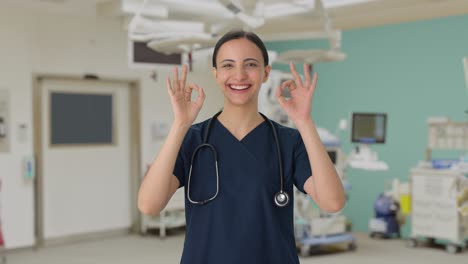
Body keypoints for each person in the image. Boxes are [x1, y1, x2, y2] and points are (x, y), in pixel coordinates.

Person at [138, 29, 346, 264]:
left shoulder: (288, 141)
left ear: (265, 73)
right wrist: (181, 124)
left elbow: (332, 202)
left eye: (250, 64)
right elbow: (149, 205)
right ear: (215, 74)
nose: (239, 75)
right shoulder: (193, 140)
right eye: (228, 65)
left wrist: (304, 122)